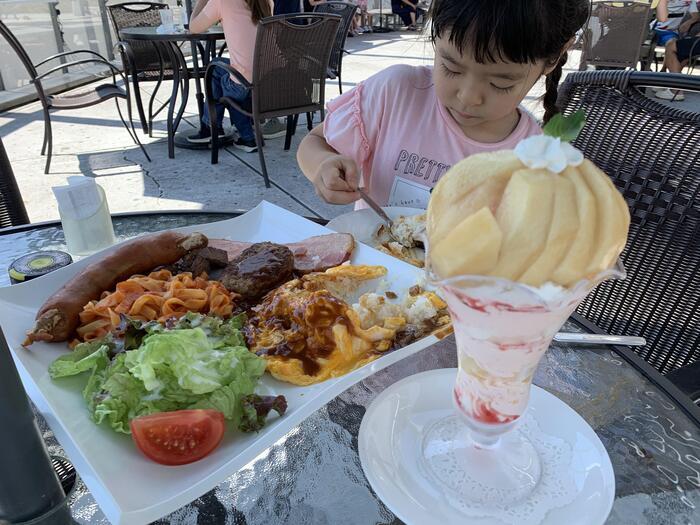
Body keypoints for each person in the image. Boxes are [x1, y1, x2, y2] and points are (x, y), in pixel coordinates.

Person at [297, 0, 590, 208]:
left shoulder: (533, 158)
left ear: (554, 57)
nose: (467, 97)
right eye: (451, 68)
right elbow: (314, 142)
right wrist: (323, 166)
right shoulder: (395, 93)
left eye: (500, 83)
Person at [187, 0, 274, 151]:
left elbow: (194, 27)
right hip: (269, 79)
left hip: (246, 82)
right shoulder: (267, 2)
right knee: (218, 66)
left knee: (222, 77)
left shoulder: (222, 1)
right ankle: (232, 132)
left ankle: (231, 133)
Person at [656, 0, 700, 100]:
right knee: (680, 47)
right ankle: (664, 78)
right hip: (658, 29)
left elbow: (662, 18)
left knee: (672, 46)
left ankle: (676, 90)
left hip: (669, 32)